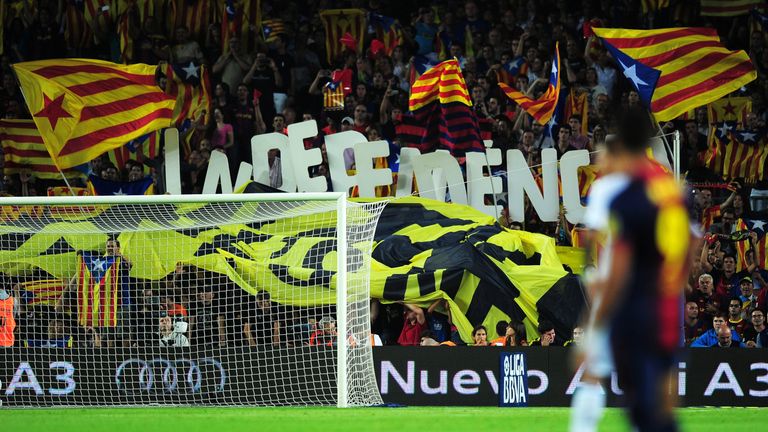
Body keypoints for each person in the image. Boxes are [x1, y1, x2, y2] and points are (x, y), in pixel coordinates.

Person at [571, 108, 691, 432]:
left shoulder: (618, 193)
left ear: (617, 148)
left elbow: (600, 242)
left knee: (602, 371)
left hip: (628, 297)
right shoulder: (671, 187)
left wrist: (592, 286)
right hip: (666, 298)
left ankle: (582, 428)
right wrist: (675, 283)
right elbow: (691, 241)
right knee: (660, 389)